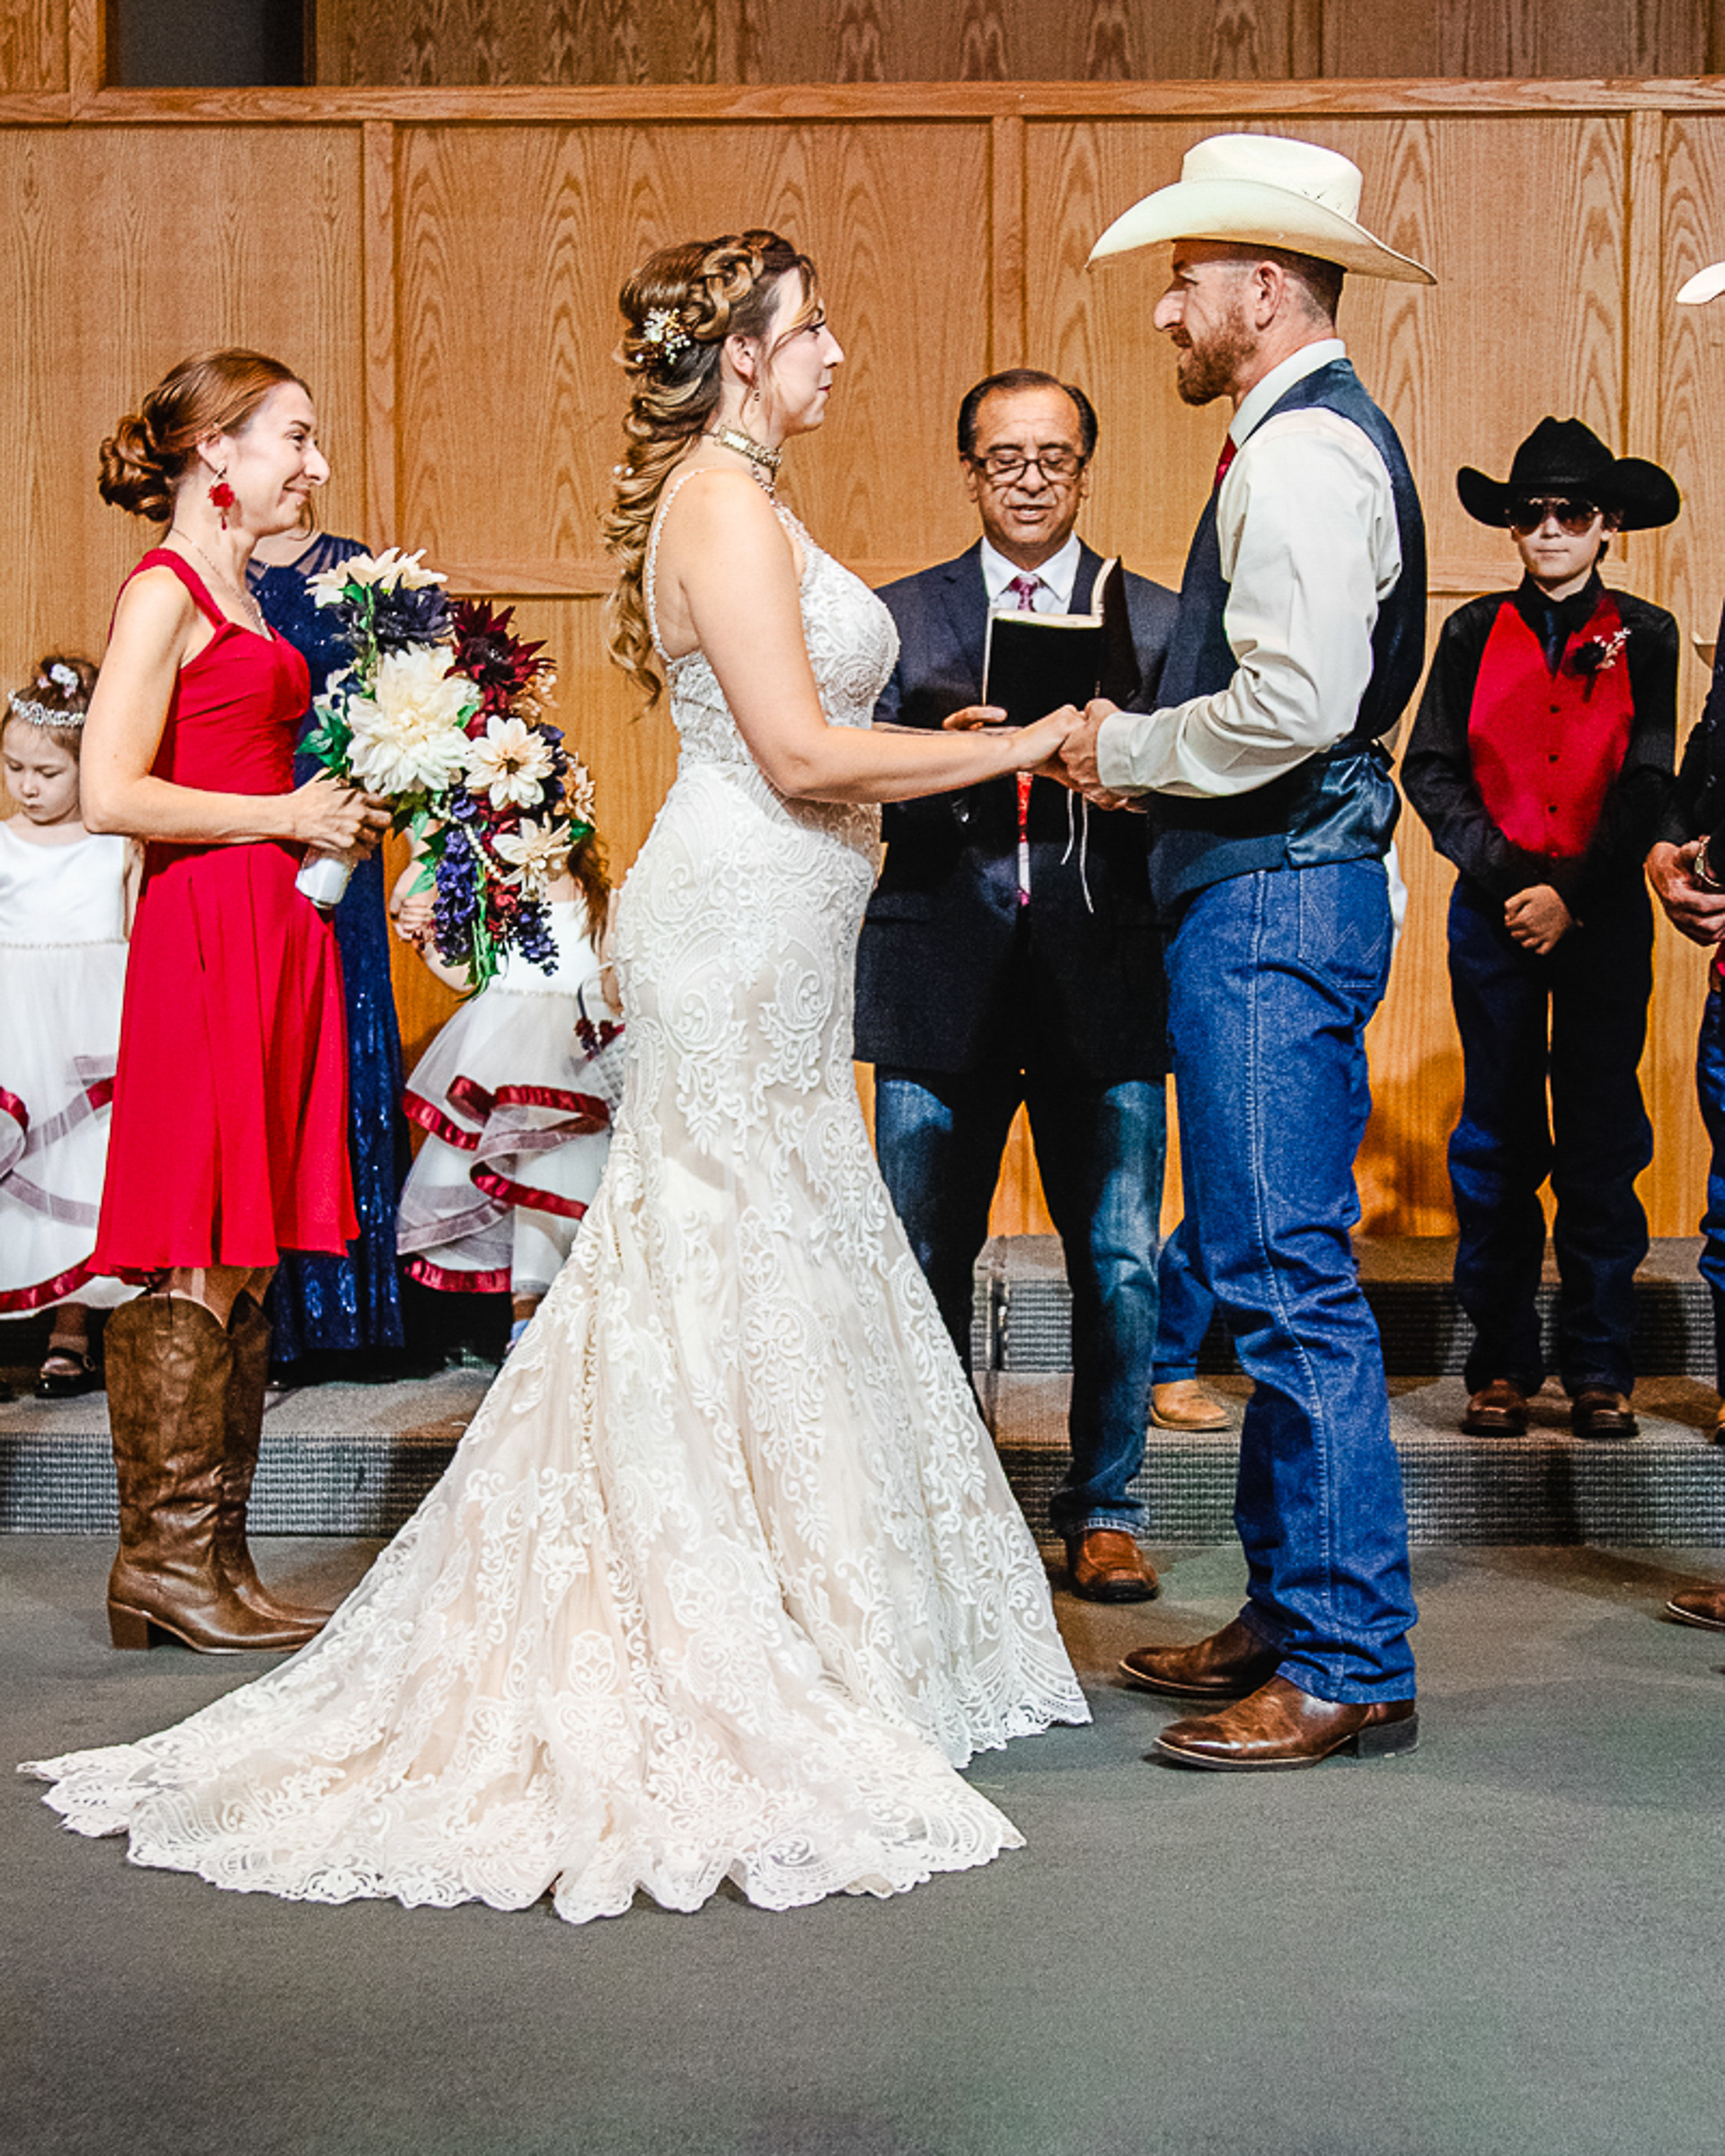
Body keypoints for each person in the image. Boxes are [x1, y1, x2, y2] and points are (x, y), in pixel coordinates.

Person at [24, 232, 1087, 1923]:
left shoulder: (747, 495)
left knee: (763, 1260)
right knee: (710, 1256)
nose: (836, 353)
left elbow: (799, 727)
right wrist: (1027, 743)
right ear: (744, 354)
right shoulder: (720, 505)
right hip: (733, 928)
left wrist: (932, 746)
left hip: (782, 923)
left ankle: (804, 1601)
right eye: (814, 328)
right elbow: (794, 749)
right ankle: (674, 1607)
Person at [1058, 134, 1433, 1770]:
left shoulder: (1303, 456)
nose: (1166, 312)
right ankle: (1293, 1613)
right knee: (1268, 1269)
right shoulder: (1291, 442)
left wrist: (1128, 748)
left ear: (1264, 289)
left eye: (1185, 281)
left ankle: (1349, 1657)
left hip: (1278, 896)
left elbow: (1294, 706)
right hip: (1270, 889)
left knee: (1284, 1283)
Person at [72, 349, 390, 1655]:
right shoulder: (165, 591)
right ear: (217, 449)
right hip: (206, 927)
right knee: (196, 1236)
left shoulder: (243, 592)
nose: (315, 466)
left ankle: (217, 1558)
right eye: (294, 438)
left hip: (271, 924)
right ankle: (161, 1564)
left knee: (244, 1250)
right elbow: (109, 790)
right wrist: (285, 815)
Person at [857, 367, 1177, 1601]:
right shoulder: (899, 618)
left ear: (1086, 470)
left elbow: (1201, 785)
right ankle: (946, 1509)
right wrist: (936, 761)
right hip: (942, 970)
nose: (1031, 480)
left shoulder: (1156, 618)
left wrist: (1131, 775)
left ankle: (1107, 1508)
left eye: (1053, 458)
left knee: (1121, 1261)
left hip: (1108, 973)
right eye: (1005, 458)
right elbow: (840, 780)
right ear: (969, 471)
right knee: (922, 1251)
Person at [1402, 420, 1679, 1442]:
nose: (1551, 528)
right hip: (1496, 919)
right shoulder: (1472, 631)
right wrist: (1518, 882)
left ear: (1609, 527)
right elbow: (1431, 768)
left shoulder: (1646, 633)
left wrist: (1573, 892)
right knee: (1498, 1140)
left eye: (1572, 511)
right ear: (1513, 528)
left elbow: (1649, 777)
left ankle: (1600, 1366)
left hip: (1601, 919)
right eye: (1531, 513)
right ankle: (1501, 1364)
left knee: (1603, 1139)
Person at [247, 521, 411, 1378]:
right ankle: (267, 1315)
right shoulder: (206, 574)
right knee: (265, 1044)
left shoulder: (361, 573)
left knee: (344, 1031)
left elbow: (411, 707)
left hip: (342, 826)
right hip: (245, 820)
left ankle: (358, 1310)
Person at [393, 817, 623, 1349]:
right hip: (509, 1063)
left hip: (575, 1059)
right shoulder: (505, 903)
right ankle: (527, 1313)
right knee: (529, 1177)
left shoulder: (603, 904)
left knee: (568, 1177)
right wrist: (427, 945)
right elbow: (477, 978)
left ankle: (564, 1312)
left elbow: (612, 985)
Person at [0, 656, 138, 1387]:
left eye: (48, 772)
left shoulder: (115, 845)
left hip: (89, 1022)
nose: (27, 786)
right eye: (13, 767)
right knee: (15, 1174)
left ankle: (73, 1328)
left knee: (83, 1169)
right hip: (14, 1024)